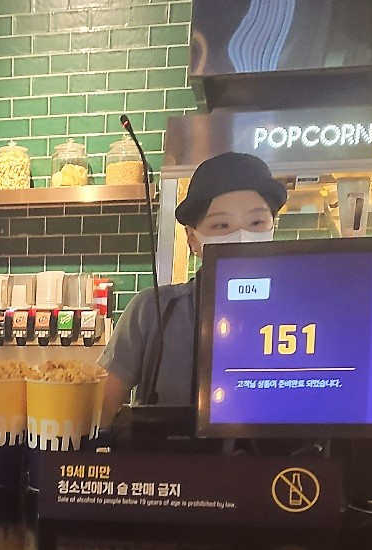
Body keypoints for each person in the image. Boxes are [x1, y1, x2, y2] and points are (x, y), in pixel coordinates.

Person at [99, 151, 288, 416]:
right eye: (222, 225)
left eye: (256, 222)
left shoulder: (301, 311)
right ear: (193, 239)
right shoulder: (151, 311)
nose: (241, 236)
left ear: (272, 227)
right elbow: (99, 413)